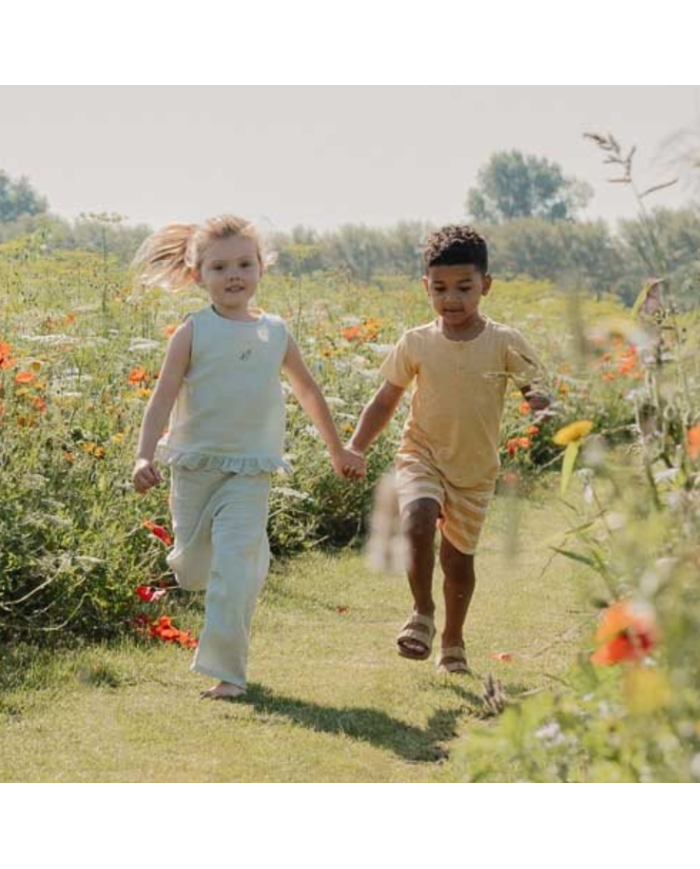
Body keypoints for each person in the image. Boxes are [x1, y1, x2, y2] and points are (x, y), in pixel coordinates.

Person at [131, 215, 365, 700]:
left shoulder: (275, 333)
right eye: (219, 267)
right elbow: (161, 397)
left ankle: (228, 674)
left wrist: (337, 448)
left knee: (233, 568)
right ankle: (243, 560)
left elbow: (308, 391)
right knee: (193, 569)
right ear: (198, 275)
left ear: (261, 267)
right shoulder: (192, 331)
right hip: (195, 468)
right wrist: (142, 456)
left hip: (250, 470)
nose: (233, 275)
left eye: (244, 264)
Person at [347, 225, 549, 674]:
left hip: (475, 468)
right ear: (426, 286)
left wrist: (544, 410)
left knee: (457, 561)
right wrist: (356, 446)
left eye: (464, 287)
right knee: (417, 519)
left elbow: (536, 389)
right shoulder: (416, 341)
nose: (451, 299)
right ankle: (422, 612)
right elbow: (385, 400)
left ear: (486, 285)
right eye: (439, 289)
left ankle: (453, 639)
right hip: (422, 453)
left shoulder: (504, 341)